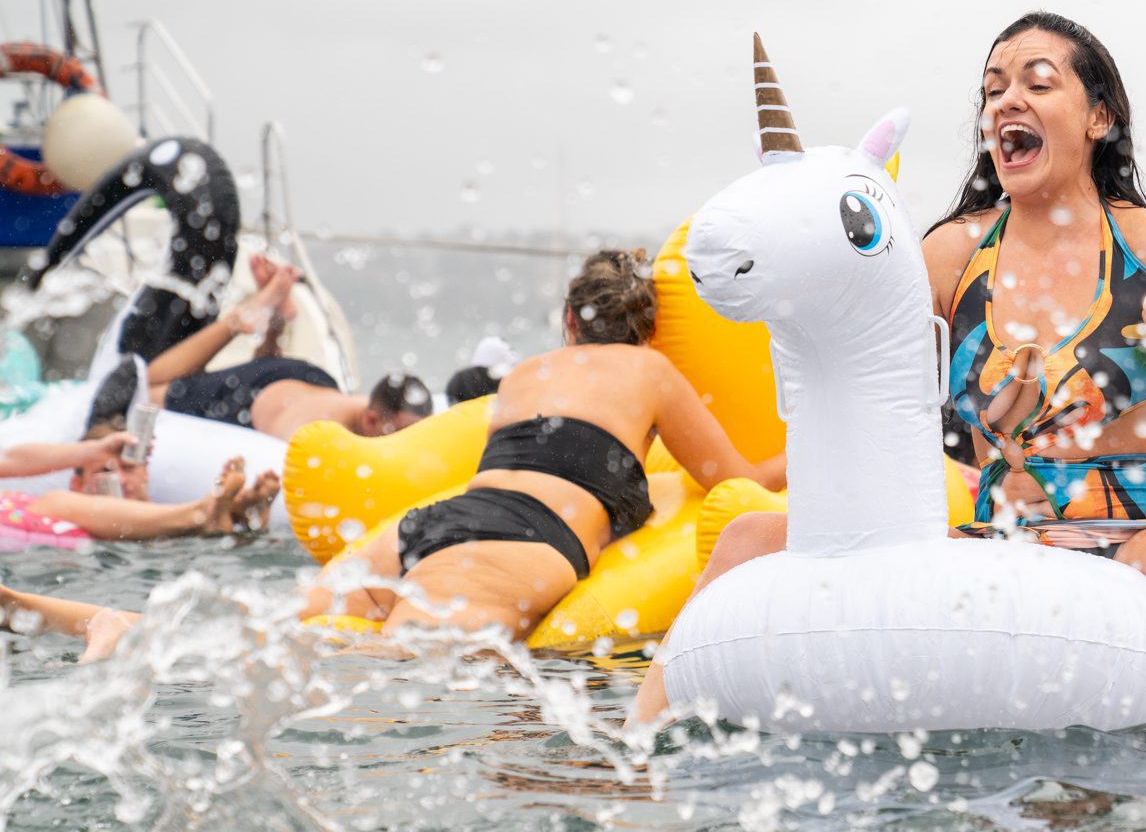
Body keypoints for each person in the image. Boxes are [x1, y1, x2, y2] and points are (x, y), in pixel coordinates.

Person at [638, 12, 1146, 745]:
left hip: (1136, 529)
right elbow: (868, 364)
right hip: (997, 531)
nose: (1005, 101)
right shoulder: (954, 253)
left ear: (1098, 117)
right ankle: (629, 761)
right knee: (748, 538)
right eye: (992, 90)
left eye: (1037, 83)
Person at [26, 249, 789, 654]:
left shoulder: (526, 376)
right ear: (647, 328)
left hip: (426, 525)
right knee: (378, 673)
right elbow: (740, 481)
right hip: (519, 544)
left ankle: (104, 621)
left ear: (568, 319)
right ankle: (119, 632)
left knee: (265, 631)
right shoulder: (652, 370)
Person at [141, 262, 432, 440]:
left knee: (260, 375)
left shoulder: (374, 413)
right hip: (255, 396)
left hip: (305, 380)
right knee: (147, 386)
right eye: (400, 435)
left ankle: (276, 321)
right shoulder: (325, 431)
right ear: (371, 421)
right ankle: (241, 318)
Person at [0, 431, 275, 542]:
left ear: (146, 473)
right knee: (54, 502)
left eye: (129, 468)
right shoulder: (59, 503)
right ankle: (211, 514)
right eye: (105, 471)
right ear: (78, 484)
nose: (119, 479)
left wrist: (96, 450)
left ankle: (241, 514)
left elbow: (8, 459)